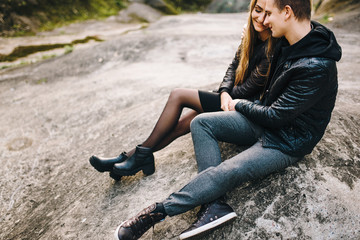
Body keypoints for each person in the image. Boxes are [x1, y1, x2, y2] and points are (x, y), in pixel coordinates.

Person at [112, 0, 342, 239]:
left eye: (269, 14)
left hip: (286, 141)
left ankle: (156, 213)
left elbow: (275, 116)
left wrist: (239, 104)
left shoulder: (316, 66)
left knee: (229, 170)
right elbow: (248, 63)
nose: (263, 21)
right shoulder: (295, 37)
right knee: (200, 122)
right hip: (264, 120)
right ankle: (214, 206)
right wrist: (248, 41)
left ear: (287, 13)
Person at [89, 0, 273, 181]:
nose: (261, 18)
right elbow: (233, 67)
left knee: (179, 95)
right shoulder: (251, 36)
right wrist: (224, 90)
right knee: (178, 126)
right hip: (228, 99)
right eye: (257, 10)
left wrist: (224, 94)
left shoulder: (272, 48)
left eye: (268, 14)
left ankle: (136, 158)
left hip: (242, 108)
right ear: (251, 8)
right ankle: (130, 157)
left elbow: (246, 91)